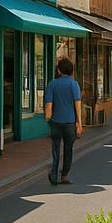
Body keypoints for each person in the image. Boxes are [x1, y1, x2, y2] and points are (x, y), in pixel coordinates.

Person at [44, 57, 83, 186]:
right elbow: (77, 104)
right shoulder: (74, 84)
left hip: (55, 122)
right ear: (71, 71)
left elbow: (49, 105)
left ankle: (54, 174)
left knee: (55, 149)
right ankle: (64, 175)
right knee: (68, 149)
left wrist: (48, 118)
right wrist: (79, 123)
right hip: (70, 123)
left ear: (59, 70)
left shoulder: (52, 84)